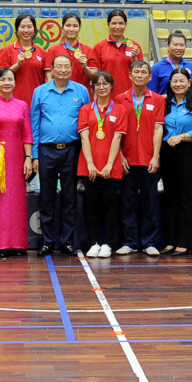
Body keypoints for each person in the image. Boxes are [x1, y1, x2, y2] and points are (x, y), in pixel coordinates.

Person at [30, 54, 89, 256]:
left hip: (72, 149)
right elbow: (34, 124)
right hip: (46, 150)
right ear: (52, 69)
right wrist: (35, 155)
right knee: (46, 197)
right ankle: (47, 241)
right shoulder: (40, 92)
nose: (63, 70)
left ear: (72, 69)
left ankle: (67, 241)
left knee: (70, 197)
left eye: (66, 67)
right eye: (59, 66)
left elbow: (86, 123)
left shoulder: (81, 91)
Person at [0, 67, 33, 255]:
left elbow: (27, 134)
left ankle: (17, 244)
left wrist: (28, 158)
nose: (7, 83)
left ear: (15, 82)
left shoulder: (22, 105)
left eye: (10, 79)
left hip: (17, 158)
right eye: (2, 80)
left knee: (16, 201)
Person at [115, 60, 164, 256]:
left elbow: (158, 129)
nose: (139, 75)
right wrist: (120, 156)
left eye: (144, 72)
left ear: (150, 77)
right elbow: (116, 131)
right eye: (136, 71)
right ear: (130, 75)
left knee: (149, 202)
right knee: (127, 202)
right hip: (126, 159)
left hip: (149, 159)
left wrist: (155, 156)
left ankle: (148, 242)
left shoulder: (158, 99)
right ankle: (129, 242)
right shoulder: (119, 99)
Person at [78, 71, 129, 258]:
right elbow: (84, 138)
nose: (101, 87)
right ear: (93, 87)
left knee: (109, 205)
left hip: (111, 166)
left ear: (111, 86)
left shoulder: (120, 110)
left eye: (105, 83)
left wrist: (109, 164)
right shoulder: (85, 110)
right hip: (89, 165)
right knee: (92, 205)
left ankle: (107, 243)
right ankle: (94, 243)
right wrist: (90, 163)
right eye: (97, 84)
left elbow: (117, 139)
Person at [160, 68, 192, 255]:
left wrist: (182, 136)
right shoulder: (164, 103)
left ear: (189, 83)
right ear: (170, 83)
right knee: (170, 197)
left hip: (186, 152)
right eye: (175, 81)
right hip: (166, 152)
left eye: (182, 81)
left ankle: (184, 241)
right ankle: (170, 241)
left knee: (185, 197)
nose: (178, 84)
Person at [0, 13, 50, 106]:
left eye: (29, 27)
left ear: (34, 30)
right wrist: (17, 65)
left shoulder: (42, 52)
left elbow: (47, 79)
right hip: (12, 102)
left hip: (36, 102)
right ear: (17, 30)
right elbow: (1, 78)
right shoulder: (6, 51)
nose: (26, 30)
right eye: (22, 27)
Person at [43, 11, 99, 89]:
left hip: (82, 93)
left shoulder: (88, 50)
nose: (71, 29)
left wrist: (85, 67)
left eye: (75, 26)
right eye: (68, 25)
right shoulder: (53, 50)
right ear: (62, 28)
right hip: (59, 93)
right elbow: (48, 78)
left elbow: (95, 77)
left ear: (79, 28)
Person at [93, 9, 144, 95]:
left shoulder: (135, 46)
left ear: (125, 25)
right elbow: (96, 74)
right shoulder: (99, 47)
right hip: (106, 95)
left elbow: (140, 73)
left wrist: (134, 57)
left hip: (129, 95)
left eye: (121, 23)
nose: (117, 27)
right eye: (114, 23)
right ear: (108, 25)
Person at [150, 30, 192, 95]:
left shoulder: (191, 67)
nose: (179, 48)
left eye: (182, 45)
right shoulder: (157, 68)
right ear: (168, 46)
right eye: (175, 45)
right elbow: (152, 94)